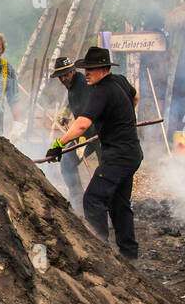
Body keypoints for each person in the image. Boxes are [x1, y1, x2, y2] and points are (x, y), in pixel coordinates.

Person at [47, 46, 142, 259]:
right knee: (119, 204)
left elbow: (81, 124)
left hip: (118, 155)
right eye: (86, 69)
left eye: (91, 69)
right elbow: (135, 97)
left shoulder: (101, 91)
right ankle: (129, 255)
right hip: (131, 152)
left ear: (104, 68)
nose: (86, 72)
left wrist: (58, 144)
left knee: (92, 200)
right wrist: (121, 118)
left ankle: (102, 252)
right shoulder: (120, 80)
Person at [49, 56, 100, 215]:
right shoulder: (73, 84)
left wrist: (82, 141)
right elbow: (77, 102)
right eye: (60, 76)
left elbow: (88, 114)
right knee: (67, 163)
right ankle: (78, 203)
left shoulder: (83, 84)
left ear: (73, 71)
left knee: (106, 169)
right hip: (85, 133)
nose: (63, 78)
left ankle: (108, 209)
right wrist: (67, 110)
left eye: (66, 74)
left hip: (99, 133)